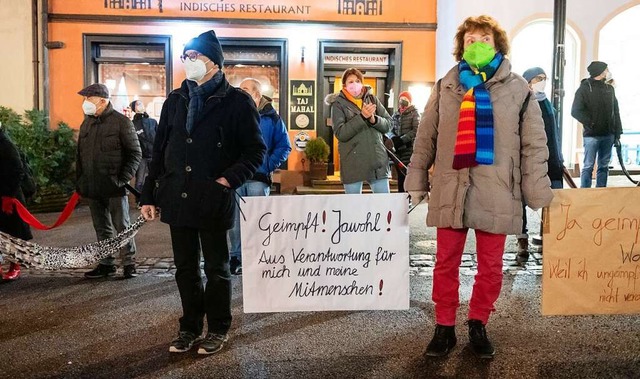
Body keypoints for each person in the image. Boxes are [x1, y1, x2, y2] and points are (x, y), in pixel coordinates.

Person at [404, 15, 553, 359]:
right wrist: (416, 180)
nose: (477, 45)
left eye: (484, 39)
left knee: (490, 266)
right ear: (461, 46)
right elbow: (426, 137)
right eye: (470, 40)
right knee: (445, 263)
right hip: (451, 185)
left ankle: (478, 322)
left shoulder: (518, 89)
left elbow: (533, 144)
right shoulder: (446, 85)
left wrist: (537, 191)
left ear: (497, 44)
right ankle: (443, 327)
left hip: (498, 188)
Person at [139, 30, 266, 355]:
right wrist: (148, 195)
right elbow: (161, 149)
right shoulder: (175, 99)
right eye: (185, 56)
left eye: (194, 56)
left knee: (216, 268)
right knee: (185, 269)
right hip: (177, 196)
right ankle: (190, 327)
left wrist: (227, 180)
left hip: (212, 198)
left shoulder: (236, 101)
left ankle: (219, 327)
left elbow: (255, 151)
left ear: (213, 61)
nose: (187, 62)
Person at [76, 83, 142, 280]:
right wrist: (79, 181)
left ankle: (129, 263)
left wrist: (122, 179)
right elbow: (79, 154)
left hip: (114, 186)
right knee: (101, 227)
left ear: (102, 101)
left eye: (88, 99)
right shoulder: (86, 123)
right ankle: (106, 263)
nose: (85, 103)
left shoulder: (121, 122)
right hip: (92, 185)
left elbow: (135, 153)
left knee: (122, 225)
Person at [227, 78, 291, 275]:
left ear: (256, 94)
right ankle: (236, 257)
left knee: (258, 220)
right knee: (235, 222)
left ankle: (258, 255)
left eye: (245, 89)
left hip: (258, 178)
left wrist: (268, 165)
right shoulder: (232, 115)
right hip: (236, 177)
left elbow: (284, 146)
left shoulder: (272, 118)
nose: (241, 92)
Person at [516, 67, 565, 264]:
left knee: (551, 200)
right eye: (538, 78)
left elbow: (554, 135)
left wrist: (559, 159)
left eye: (544, 78)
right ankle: (522, 241)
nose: (542, 81)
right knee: (520, 201)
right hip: (527, 160)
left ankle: (547, 237)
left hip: (551, 161)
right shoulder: (522, 102)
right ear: (528, 81)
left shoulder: (547, 104)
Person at [326, 67, 392, 194]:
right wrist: (362, 117)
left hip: (377, 161)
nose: (354, 84)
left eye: (357, 80)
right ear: (344, 84)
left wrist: (374, 120)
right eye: (350, 82)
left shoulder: (372, 99)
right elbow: (341, 133)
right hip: (353, 162)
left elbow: (389, 124)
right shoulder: (338, 104)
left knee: (383, 206)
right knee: (353, 208)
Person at [571, 61, 623, 188]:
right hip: (591, 135)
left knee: (603, 166)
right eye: (606, 69)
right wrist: (591, 123)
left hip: (608, 134)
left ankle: (601, 192)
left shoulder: (609, 89)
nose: (607, 72)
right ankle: (585, 193)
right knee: (588, 166)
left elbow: (615, 111)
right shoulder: (584, 89)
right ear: (600, 72)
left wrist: (618, 132)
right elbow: (576, 111)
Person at [0, 122, 32, 281]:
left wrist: (8, 196)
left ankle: (15, 266)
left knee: (12, 235)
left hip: (10, 199)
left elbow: (17, 171)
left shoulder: (6, 145)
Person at [389, 91, 420, 192]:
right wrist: (394, 139)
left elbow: (416, 130)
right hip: (398, 150)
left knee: (407, 174)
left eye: (405, 100)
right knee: (400, 175)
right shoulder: (396, 114)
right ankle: (400, 196)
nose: (402, 102)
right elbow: (390, 129)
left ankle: (408, 197)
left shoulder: (414, 113)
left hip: (409, 148)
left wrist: (402, 139)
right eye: (401, 99)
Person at [130, 100, 158, 193]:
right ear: (133, 108)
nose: (140, 105)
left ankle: (155, 200)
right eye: (137, 104)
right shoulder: (132, 124)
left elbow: (159, 136)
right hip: (141, 156)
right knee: (140, 181)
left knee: (156, 178)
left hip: (154, 155)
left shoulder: (152, 122)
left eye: (141, 103)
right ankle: (140, 201)